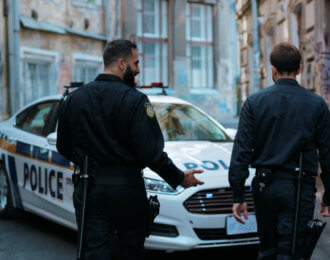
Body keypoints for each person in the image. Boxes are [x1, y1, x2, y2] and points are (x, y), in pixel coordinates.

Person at [56, 39, 204, 259]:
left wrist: (89, 161)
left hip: (91, 188)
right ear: (122, 64)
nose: (138, 70)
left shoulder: (75, 99)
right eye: (136, 63)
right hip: (127, 189)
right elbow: (151, 153)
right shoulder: (135, 101)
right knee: (129, 251)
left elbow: (63, 145)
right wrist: (179, 177)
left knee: (95, 251)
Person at [228, 42, 330, 259]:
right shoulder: (316, 104)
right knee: (292, 251)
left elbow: (241, 151)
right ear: (300, 68)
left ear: (272, 69)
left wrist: (238, 194)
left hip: (265, 187)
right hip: (299, 188)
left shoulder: (254, 102)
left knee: (267, 250)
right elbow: (328, 153)